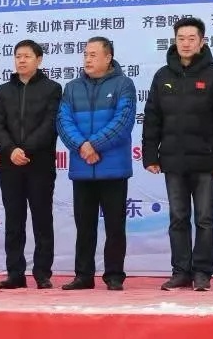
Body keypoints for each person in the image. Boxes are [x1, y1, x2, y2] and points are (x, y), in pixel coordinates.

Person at [142, 17, 213, 292]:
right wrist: (150, 155)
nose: (185, 43)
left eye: (191, 38)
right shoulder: (163, 76)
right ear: (174, 41)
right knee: (178, 218)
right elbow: (152, 118)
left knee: (205, 219)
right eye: (181, 38)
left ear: (202, 42)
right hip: (173, 161)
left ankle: (203, 272)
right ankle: (181, 271)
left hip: (206, 161)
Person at [56, 37, 136, 291]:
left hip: (113, 168)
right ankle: (83, 275)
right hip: (82, 168)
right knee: (84, 226)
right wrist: (82, 146)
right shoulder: (72, 88)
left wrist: (94, 145)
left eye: (93, 54)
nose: (87, 59)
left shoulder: (123, 84)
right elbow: (63, 122)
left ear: (108, 57)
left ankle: (114, 275)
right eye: (85, 55)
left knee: (115, 226)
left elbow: (123, 122)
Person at [0, 40, 62, 289]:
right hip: (10, 164)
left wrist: (26, 149)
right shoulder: (3, 90)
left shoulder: (52, 88)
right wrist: (11, 150)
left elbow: (50, 124)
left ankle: (42, 273)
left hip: (39, 162)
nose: (21, 61)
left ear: (39, 60)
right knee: (14, 220)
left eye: (26, 56)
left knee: (42, 219)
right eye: (18, 56)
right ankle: (15, 273)